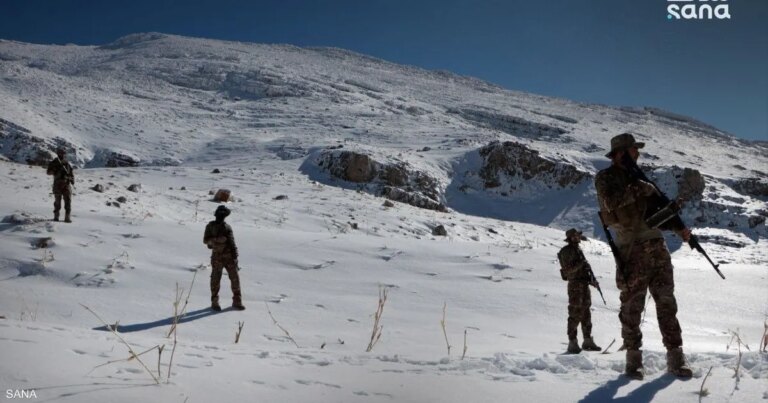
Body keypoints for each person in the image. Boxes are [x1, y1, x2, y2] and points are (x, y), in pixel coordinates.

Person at [595, 133, 693, 380]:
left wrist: (678, 228)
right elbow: (611, 204)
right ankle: (633, 362)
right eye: (633, 150)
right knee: (632, 308)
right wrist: (639, 188)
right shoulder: (606, 178)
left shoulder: (641, 177)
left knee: (667, 304)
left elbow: (655, 215)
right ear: (620, 153)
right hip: (632, 251)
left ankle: (676, 359)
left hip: (657, 248)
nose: (637, 154)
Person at [557, 228, 602, 354]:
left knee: (586, 313)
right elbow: (567, 271)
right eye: (575, 236)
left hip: (583, 284)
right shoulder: (566, 251)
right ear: (570, 237)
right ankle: (572, 342)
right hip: (575, 285)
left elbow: (583, 269)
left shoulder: (578, 250)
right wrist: (580, 264)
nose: (578, 237)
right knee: (575, 313)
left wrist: (592, 280)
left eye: (578, 235)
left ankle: (587, 340)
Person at [203, 205, 245, 311]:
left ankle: (237, 301)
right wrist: (217, 240)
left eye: (223, 214)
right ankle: (214, 302)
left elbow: (231, 241)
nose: (221, 216)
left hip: (229, 257)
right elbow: (206, 241)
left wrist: (235, 255)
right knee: (215, 280)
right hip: (217, 257)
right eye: (220, 213)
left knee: (235, 279)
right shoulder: (210, 226)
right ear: (216, 214)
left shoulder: (227, 227)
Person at [46, 148, 74, 222]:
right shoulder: (54, 162)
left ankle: (67, 217)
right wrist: (55, 169)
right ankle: (56, 217)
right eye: (61, 153)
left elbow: (71, 173)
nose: (63, 155)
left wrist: (72, 179)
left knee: (68, 201)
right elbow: (48, 172)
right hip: (58, 184)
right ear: (58, 153)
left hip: (66, 185)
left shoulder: (67, 163)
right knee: (57, 202)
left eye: (63, 153)